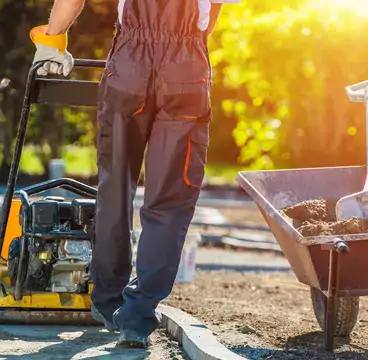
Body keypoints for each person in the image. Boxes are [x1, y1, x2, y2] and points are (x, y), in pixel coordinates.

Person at [30, 0, 235, 349]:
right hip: (185, 68)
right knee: (170, 199)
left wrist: (52, 41)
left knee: (115, 189)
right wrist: (185, 48)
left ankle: (109, 302)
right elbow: (212, 13)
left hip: (129, 64)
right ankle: (137, 316)